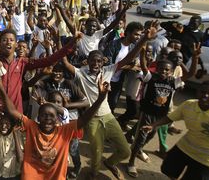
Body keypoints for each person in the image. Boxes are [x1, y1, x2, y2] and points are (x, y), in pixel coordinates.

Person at [62, 20, 159, 179]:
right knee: (96, 154)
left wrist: (144, 39)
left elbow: (128, 58)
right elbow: (65, 61)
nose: (95, 63)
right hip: (91, 119)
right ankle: (93, 174)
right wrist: (70, 41)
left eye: (99, 61)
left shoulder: (108, 70)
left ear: (103, 62)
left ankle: (110, 163)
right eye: (93, 60)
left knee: (125, 151)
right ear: (88, 61)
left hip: (108, 116)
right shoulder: (81, 73)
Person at [0, 63, 110, 180]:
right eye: (44, 115)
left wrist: (100, 98)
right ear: (38, 118)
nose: (48, 118)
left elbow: (85, 119)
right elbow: (12, 110)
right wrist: (1, 87)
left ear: (57, 119)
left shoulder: (64, 131)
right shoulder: (31, 126)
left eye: (51, 115)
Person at [126, 43, 200, 178]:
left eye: (167, 70)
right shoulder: (151, 77)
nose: (164, 71)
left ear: (171, 72)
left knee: (151, 135)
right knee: (140, 138)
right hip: (147, 113)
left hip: (160, 115)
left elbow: (191, 74)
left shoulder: (173, 81)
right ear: (157, 69)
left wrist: (194, 58)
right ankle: (131, 162)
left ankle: (137, 149)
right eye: (161, 69)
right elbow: (143, 66)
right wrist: (142, 52)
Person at [143, 80, 209, 180]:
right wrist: (153, 125)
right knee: (168, 169)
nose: (206, 95)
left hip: (208, 158)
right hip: (186, 147)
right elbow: (171, 117)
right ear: (198, 92)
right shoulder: (188, 105)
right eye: (203, 92)